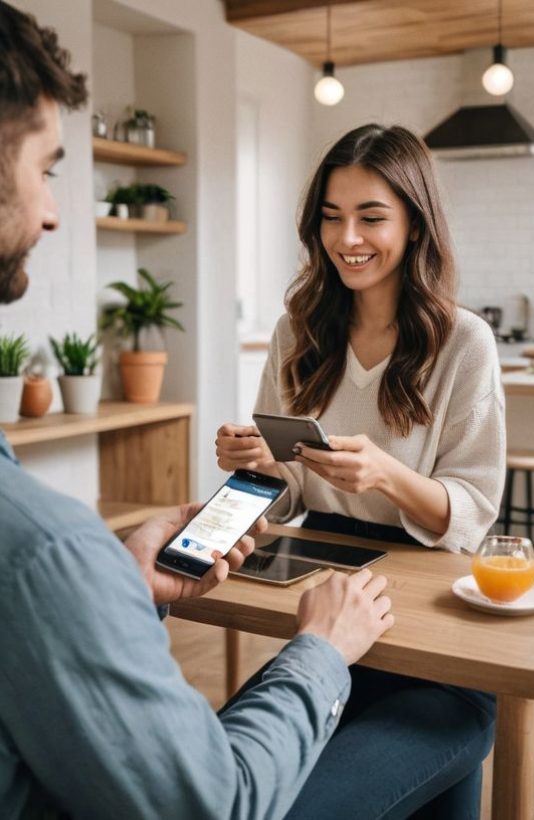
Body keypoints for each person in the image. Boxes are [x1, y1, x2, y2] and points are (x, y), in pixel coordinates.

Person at [0, 4, 394, 818]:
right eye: (46, 168)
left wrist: (111, 579)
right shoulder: (43, 550)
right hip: (315, 626)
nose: (53, 212)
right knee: (452, 726)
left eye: (370, 217)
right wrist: (320, 650)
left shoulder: (460, 341)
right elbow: (216, 803)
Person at [216, 124, 503, 817]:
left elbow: (471, 510)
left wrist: (386, 475)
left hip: (435, 625)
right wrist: (257, 466)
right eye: (330, 217)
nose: (348, 238)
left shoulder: (463, 341)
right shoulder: (296, 333)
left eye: (371, 217)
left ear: (414, 222)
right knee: (223, 781)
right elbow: (282, 500)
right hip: (324, 610)